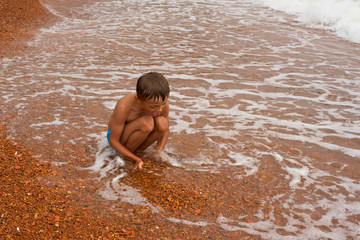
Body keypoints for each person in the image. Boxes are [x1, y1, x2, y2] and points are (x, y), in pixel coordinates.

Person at [107, 72, 170, 170]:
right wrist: (135, 159)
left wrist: (158, 150)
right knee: (147, 122)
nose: (160, 109)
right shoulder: (124, 107)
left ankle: (139, 152)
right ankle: (128, 157)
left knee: (163, 123)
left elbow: (165, 130)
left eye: (163, 104)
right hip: (117, 137)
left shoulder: (160, 103)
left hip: (137, 134)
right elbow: (113, 141)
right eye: (154, 107)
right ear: (138, 100)